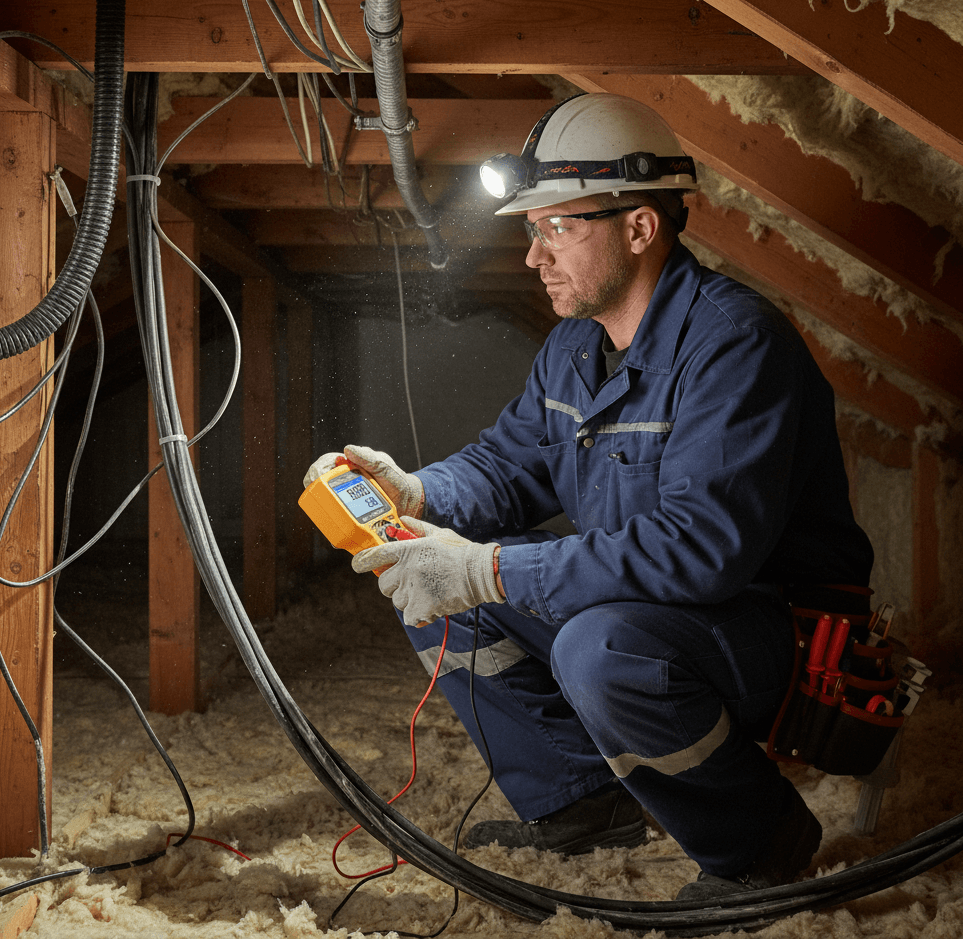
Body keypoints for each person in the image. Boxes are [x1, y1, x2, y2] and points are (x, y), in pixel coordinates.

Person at [303, 93, 874, 899]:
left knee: (599, 648)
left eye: (557, 229)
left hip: (769, 626)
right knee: (433, 586)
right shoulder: (577, 344)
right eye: (533, 231)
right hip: (651, 607)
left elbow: (700, 552)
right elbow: (510, 466)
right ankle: (582, 803)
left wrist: (493, 569)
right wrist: (418, 490)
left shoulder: (735, 344)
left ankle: (758, 843)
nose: (535, 257)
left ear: (639, 228)